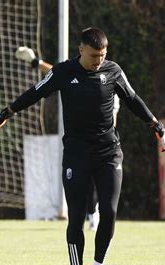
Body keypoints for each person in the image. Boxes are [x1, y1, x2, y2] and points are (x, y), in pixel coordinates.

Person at [0, 28, 165, 265]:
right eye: (94, 55)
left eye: (103, 55)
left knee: (108, 212)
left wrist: (158, 127)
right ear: (81, 50)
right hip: (76, 154)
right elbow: (34, 92)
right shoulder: (63, 72)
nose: (99, 59)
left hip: (109, 152)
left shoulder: (113, 71)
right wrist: (5, 114)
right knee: (75, 217)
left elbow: (133, 100)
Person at [15, 47, 123, 231]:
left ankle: (95, 214)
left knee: (99, 182)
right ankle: (89, 214)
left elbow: (112, 122)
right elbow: (60, 75)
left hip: (103, 144)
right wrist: (37, 63)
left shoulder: (111, 82)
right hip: (79, 144)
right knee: (83, 183)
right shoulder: (79, 73)